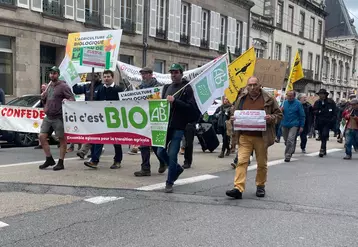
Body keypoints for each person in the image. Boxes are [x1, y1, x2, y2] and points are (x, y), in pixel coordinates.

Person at [226, 76, 282, 199]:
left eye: (254, 85)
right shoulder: (241, 98)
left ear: (259, 85)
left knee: (261, 163)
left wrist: (271, 118)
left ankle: (260, 185)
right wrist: (233, 118)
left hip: (261, 137)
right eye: (250, 85)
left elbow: (279, 115)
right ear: (247, 86)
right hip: (244, 136)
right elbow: (233, 112)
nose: (252, 88)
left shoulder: (269, 98)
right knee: (241, 161)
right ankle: (238, 188)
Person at [157, 63, 199, 193]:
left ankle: (169, 182)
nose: (173, 75)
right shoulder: (167, 87)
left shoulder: (187, 88)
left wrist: (175, 101)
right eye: (172, 72)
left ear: (181, 73)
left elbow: (190, 108)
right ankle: (177, 169)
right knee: (159, 151)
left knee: (173, 154)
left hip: (179, 126)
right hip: (165, 125)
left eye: (176, 72)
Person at [84, 70, 124, 169]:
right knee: (99, 138)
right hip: (102, 118)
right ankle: (94, 160)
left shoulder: (119, 89)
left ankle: (117, 161)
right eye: (104, 77)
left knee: (116, 141)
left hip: (115, 119)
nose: (106, 78)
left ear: (112, 77)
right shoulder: (100, 89)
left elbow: (124, 104)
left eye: (108, 77)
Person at [39, 66, 74, 171]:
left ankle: (61, 162)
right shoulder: (49, 85)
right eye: (50, 73)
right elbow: (46, 100)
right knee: (41, 137)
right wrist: (43, 97)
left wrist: (66, 101)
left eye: (54, 73)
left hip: (59, 117)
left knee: (62, 139)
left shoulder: (63, 86)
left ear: (58, 74)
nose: (52, 75)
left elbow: (72, 98)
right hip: (48, 116)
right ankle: (49, 159)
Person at [133, 67, 167, 176]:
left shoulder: (158, 87)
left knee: (155, 145)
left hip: (154, 118)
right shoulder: (139, 88)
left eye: (146, 74)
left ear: (151, 74)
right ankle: (145, 168)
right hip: (143, 118)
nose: (143, 76)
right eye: (142, 74)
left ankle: (163, 161)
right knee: (143, 144)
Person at [72, 73, 103, 159]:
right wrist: (73, 80)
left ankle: (92, 156)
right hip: (89, 116)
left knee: (96, 136)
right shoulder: (87, 86)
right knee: (91, 135)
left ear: (99, 77)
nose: (93, 77)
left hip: (99, 116)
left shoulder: (102, 87)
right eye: (92, 76)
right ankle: (93, 155)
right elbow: (76, 90)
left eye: (96, 75)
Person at [313, 89, 337, 157]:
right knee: (322, 135)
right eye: (320, 94)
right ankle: (324, 148)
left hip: (328, 121)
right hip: (320, 121)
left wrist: (333, 119)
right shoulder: (317, 102)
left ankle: (322, 149)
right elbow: (314, 111)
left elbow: (335, 112)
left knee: (324, 134)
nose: (321, 95)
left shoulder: (331, 102)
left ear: (325, 95)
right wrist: (318, 112)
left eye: (322, 94)